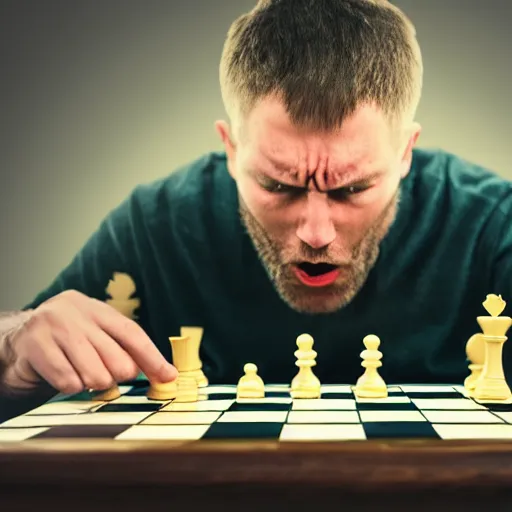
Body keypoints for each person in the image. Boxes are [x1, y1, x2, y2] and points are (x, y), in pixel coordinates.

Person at [0, 0, 511, 422]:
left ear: (405, 152)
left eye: (352, 188)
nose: (315, 233)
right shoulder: (154, 226)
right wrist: (13, 347)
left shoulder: (493, 225)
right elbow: (25, 348)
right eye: (278, 184)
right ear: (231, 148)